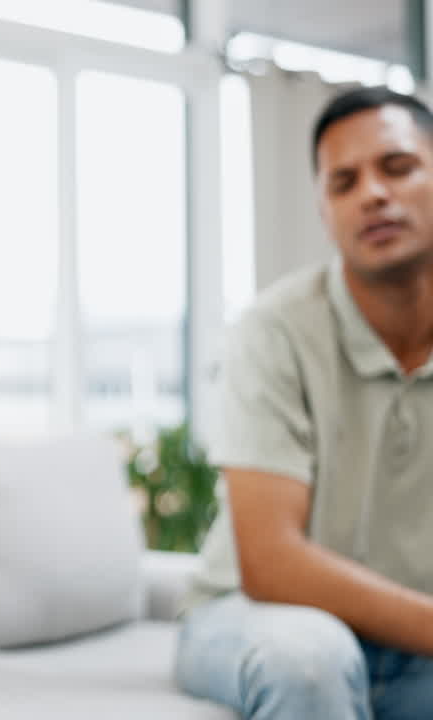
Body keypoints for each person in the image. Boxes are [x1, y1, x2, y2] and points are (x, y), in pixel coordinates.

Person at [175, 86, 433, 719]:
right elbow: (272, 564)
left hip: (413, 635)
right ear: (323, 211)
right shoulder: (275, 329)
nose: (373, 194)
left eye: (397, 167)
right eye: (344, 182)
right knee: (310, 657)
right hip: (255, 614)